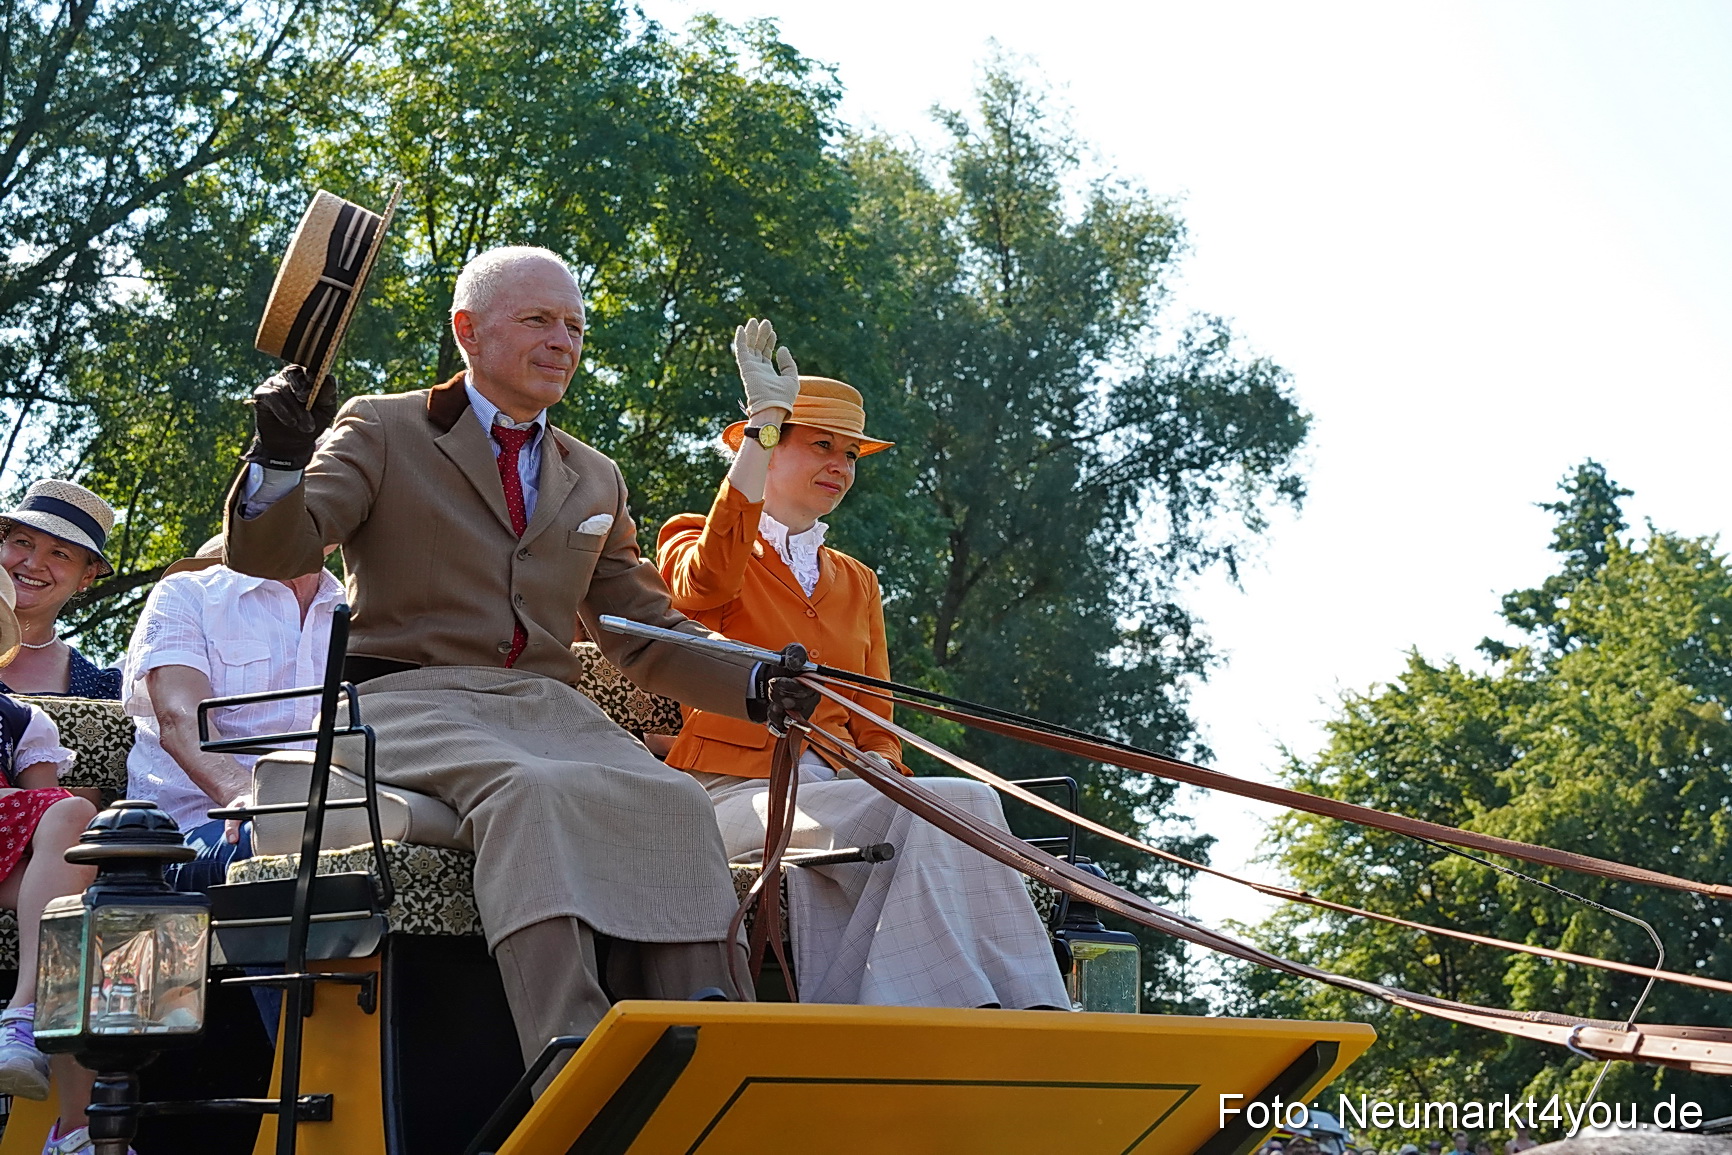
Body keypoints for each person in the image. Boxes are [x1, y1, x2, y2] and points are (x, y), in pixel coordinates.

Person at [221, 246, 811, 1065]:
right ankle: (568, 1049)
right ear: (468, 329)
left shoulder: (593, 475)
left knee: (675, 798)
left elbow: (640, 626)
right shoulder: (382, 426)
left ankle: (712, 1045)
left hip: (547, 707)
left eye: (574, 325)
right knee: (529, 789)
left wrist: (754, 677)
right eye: (538, 319)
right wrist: (280, 459)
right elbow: (276, 547)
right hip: (410, 696)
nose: (562, 340)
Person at [656, 320, 1069, 1009]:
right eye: (821, 444)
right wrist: (761, 424)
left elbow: (876, 718)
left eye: (851, 454)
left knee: (968, 799)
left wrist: (882, 765)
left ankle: (1025, 1012)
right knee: (956, 804)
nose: (841, 465)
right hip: (727, 800)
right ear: (768, 449)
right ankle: (968, 1010)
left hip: (845, 794)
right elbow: (704, 589)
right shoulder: (692, 539)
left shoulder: (858, 581)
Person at [121, 536, 343, 891]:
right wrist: (253, 799)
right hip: (190, 833)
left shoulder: (359, 615)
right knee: (299, 851)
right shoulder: (185, 595)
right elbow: (180, 721)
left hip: (325, 821)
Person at [0, 571, 107, 1152]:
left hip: (4, 854)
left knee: (76, 918)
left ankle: (76, 1131)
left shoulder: (19, 718)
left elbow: (45, 813)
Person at [0, 481, 121, 699]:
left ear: (87, 576)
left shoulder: (98, 691)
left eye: (60, 554)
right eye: (23, 542)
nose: (34, 563)